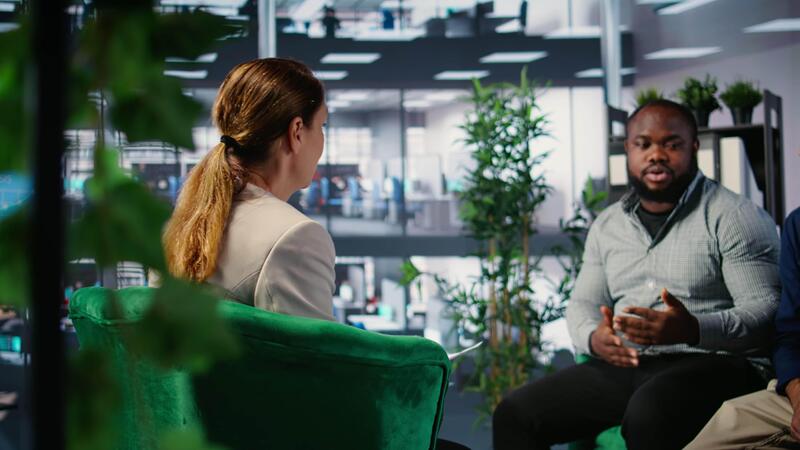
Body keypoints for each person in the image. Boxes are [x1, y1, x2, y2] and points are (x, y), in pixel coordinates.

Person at [492, 99, 781, 450]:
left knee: (651, 411)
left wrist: (693, 329)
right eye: (643, 144)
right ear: (627, 150)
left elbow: (766, 313)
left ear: (694, 147)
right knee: (515, 414)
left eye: (671, 144)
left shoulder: (735, 216)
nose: (656, 155)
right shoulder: (608, 225)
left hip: (717, 364)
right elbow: (582, 303)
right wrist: (594, 338)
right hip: (630, 363)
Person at [163, 58, 335, 321]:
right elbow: (314, 348)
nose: (322, 140)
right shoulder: (296, 237)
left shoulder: (180, 228)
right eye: (322, 126)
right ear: (297, 132)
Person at [685, 207, 800, 449]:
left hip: (733, 359)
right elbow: (789, 333)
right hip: (790, 398)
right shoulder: (798, 224)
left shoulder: (736, 217)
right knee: (718, 432)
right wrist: (797, 391)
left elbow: (760, 309)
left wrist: (694, 328)